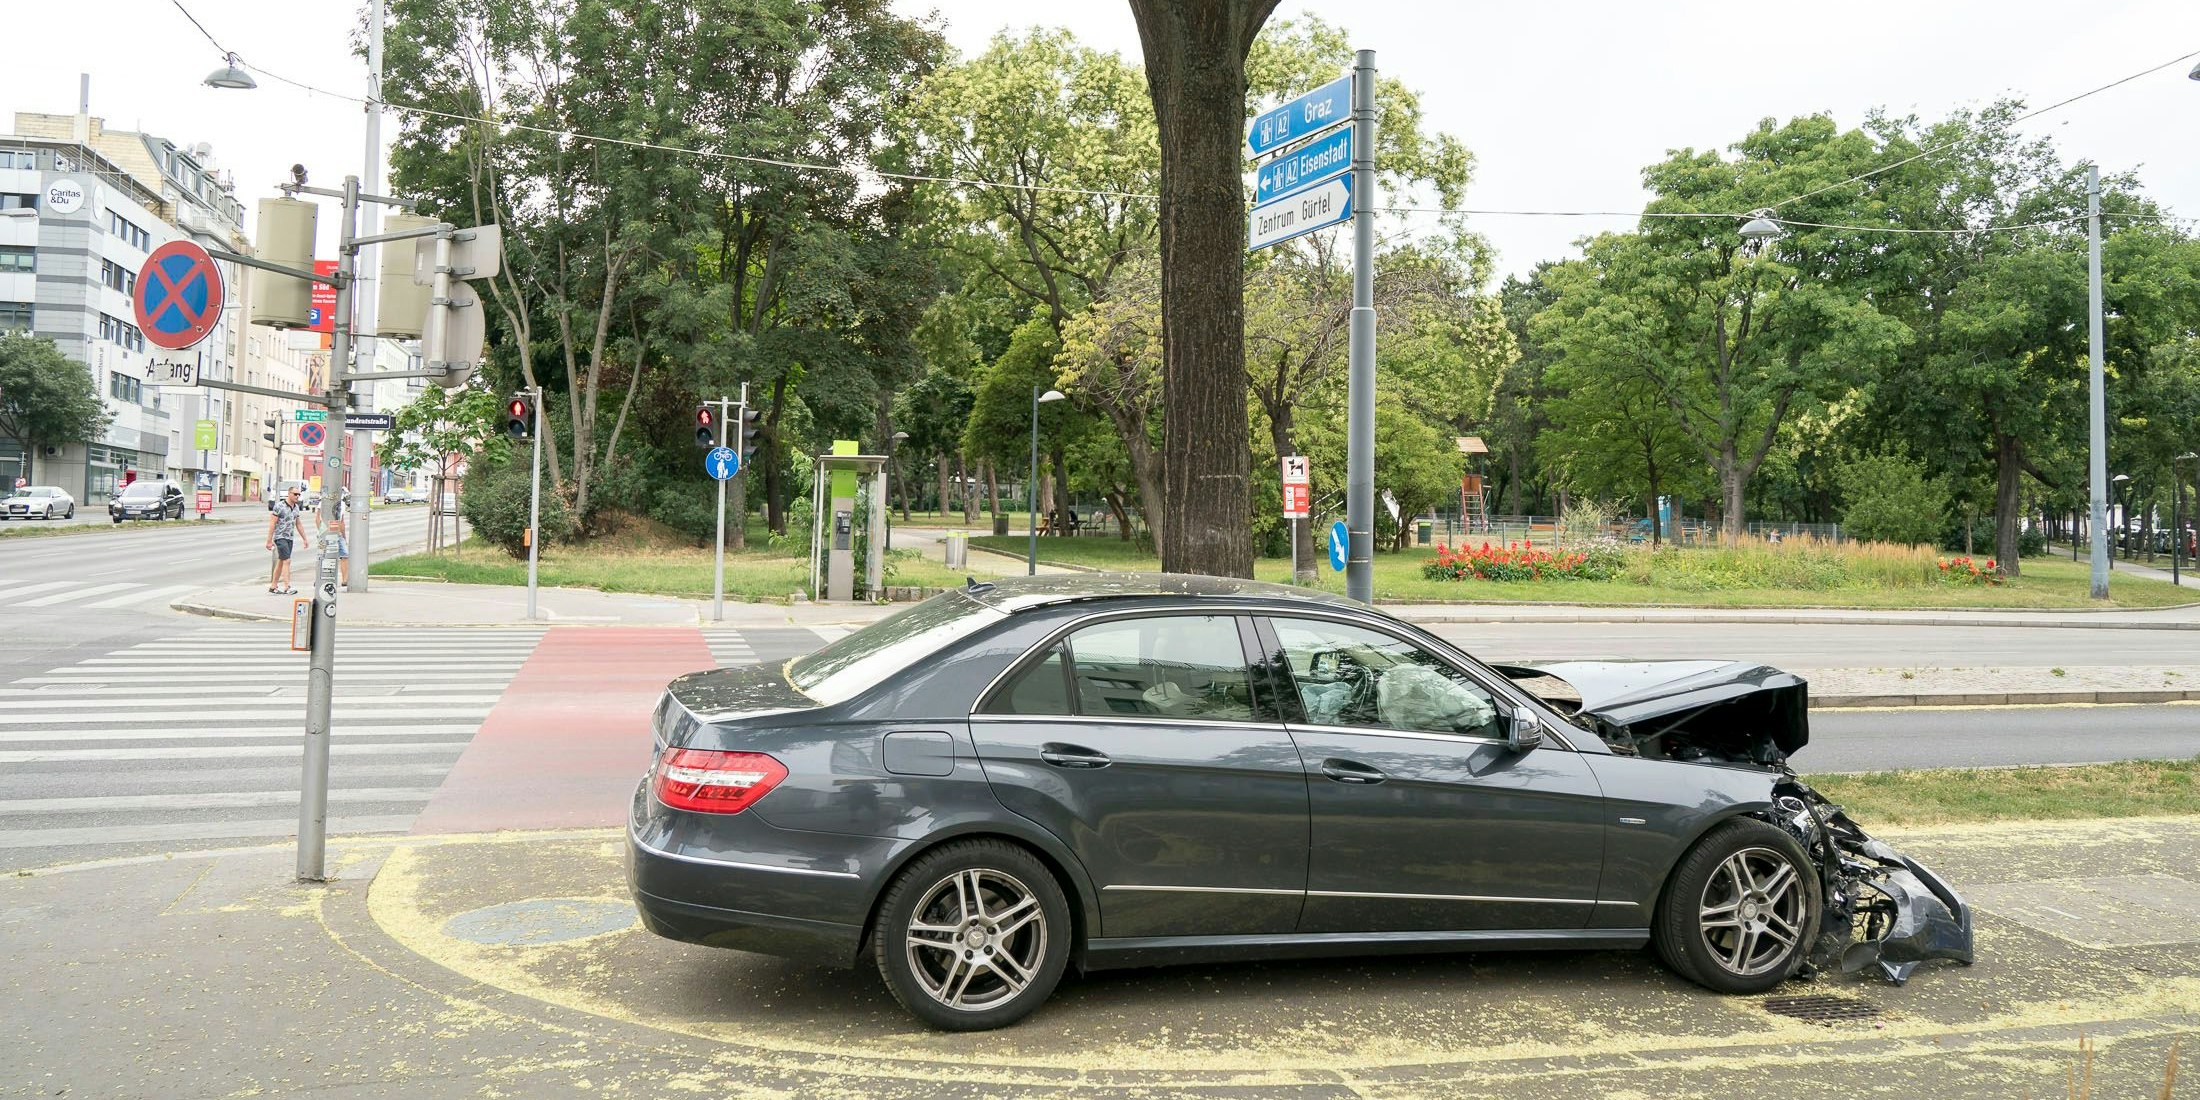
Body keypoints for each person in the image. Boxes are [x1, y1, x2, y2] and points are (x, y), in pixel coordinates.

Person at [266, 486, 311, 594]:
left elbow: (298, 523)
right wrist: (269, 540)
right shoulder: (279, 506)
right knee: (287, 560)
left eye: (299, 494)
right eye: (295, 494)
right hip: (280, 537)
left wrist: (305, 538)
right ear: (289, 493)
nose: (297, 496)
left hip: (290, 537)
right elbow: (272, 523)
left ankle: (273, 586)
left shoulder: (296, 507)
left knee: (281, 561)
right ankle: (287, 586)